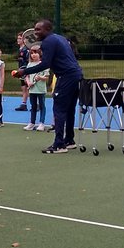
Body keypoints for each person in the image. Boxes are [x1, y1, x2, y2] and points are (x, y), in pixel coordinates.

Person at [13, 20, 83, 155]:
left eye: (39, 29)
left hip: (66, 77)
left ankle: (59, 144)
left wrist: (24, 71)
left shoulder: (48, 42)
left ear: (48, 29)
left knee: (59, 109)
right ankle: (69, 140)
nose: (36, 32)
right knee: (69, 109)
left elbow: (45, 64)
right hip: (76, 75)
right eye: (35, 29)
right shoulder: (60, 38)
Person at [23, 45, 52, 132]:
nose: (33, 55)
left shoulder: (44, 64)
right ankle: (32, 123)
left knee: (42, 105)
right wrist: (28, 82)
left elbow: (46, 77)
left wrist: (40, 78)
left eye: (36, 53)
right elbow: (27, 76)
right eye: (32, 53)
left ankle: (41, 123)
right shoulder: (29, 64)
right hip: (32, 89)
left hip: (41, 89)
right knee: (33, 106)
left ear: (40, 54)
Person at [15, 33, 30, 111]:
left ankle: (37, 104)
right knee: (24, 88)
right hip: (21, 71)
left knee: (30, 88)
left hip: (25, 71)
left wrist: (26, 72)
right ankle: (24, 104)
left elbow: (28, 62)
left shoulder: (26, 50)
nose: (18, 40)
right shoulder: (20, 49)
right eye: (18, 38)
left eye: (20, 38)